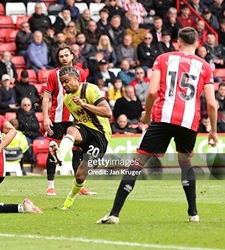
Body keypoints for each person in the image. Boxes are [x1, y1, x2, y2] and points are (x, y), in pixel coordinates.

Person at [97, 27, 218, 224]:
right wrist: (212, 130)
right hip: (189, 122)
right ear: (197, 43)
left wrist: (146, 116)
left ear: (177, 42)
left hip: (163, 118)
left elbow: (152, 91)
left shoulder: (163, 58)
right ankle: (193, 213)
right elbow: (212, 103)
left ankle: (114, 214)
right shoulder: (205, 66)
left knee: (137, 164)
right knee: (185, 163)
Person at [49, 66, 112, 210]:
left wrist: (84, 104)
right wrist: (75, 141)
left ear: (76, 79)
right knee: (70, 129)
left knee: (80, 175)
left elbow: (108, 112)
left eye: (66, 81)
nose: (64, 85)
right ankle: (59, 154)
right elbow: (77, 120)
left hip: (100, 135)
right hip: (84, 130)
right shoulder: (67, 98)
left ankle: (70, 199)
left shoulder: (90, 89)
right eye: (62, 82)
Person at [42, 44, 93, 196]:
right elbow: (46, 97)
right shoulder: (53, 75)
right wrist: (45, 117)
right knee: (53, 150)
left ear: (72, 56)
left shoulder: (81, 73)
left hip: (77, 119)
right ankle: (50, 186)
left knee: (78, 152)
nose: (64, 58)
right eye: (61, 56)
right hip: (57, 119)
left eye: (66, 55)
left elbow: (85, 94)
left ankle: (79, 186)